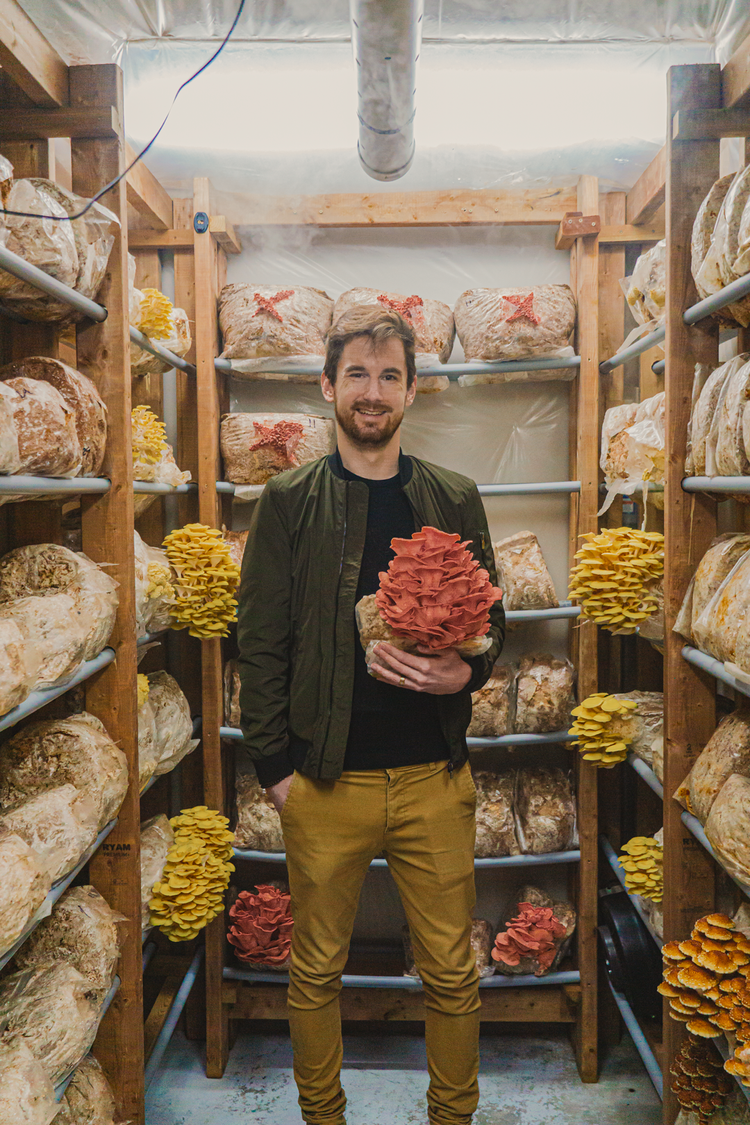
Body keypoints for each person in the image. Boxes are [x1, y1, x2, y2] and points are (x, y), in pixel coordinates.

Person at [237, 304, 505, 1125]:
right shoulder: (287, 500)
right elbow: (261, 640)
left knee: (453, 972)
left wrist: (467, 667)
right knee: (315, 968)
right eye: (356, 372)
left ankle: (451, 1117)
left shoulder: (452, 497)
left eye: (390, 374)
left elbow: (496, 625)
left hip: (433, 777)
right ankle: (324, 1117)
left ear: (413, 391)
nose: (373, 390)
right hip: (325, 782)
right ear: (327, 385)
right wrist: (277, 771)